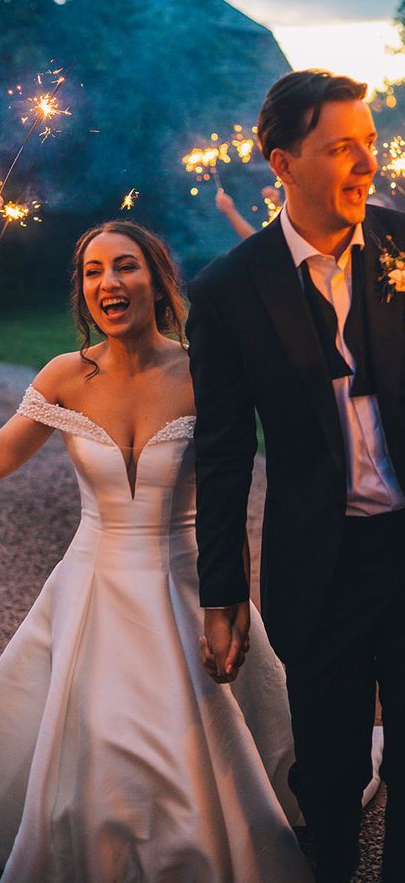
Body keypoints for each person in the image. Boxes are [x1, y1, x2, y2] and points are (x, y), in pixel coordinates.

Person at [0, 220, 313, 882]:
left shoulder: (206, 368)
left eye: (124, 267)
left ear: (159, 279)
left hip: (186, 586)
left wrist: (227, 600)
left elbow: (242, 481)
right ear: (82, 291)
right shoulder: (65, 375)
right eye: (92, 271)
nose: (108, 282)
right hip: (92, 590)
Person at [187, 69, 405, 883]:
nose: (365, 165)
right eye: (340, 148)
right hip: (323, 568)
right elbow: (222, 453)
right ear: (281, 161)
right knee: (332, 773)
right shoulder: (229, 291)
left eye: (370, 145)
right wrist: (222, 597)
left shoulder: (403, 241)